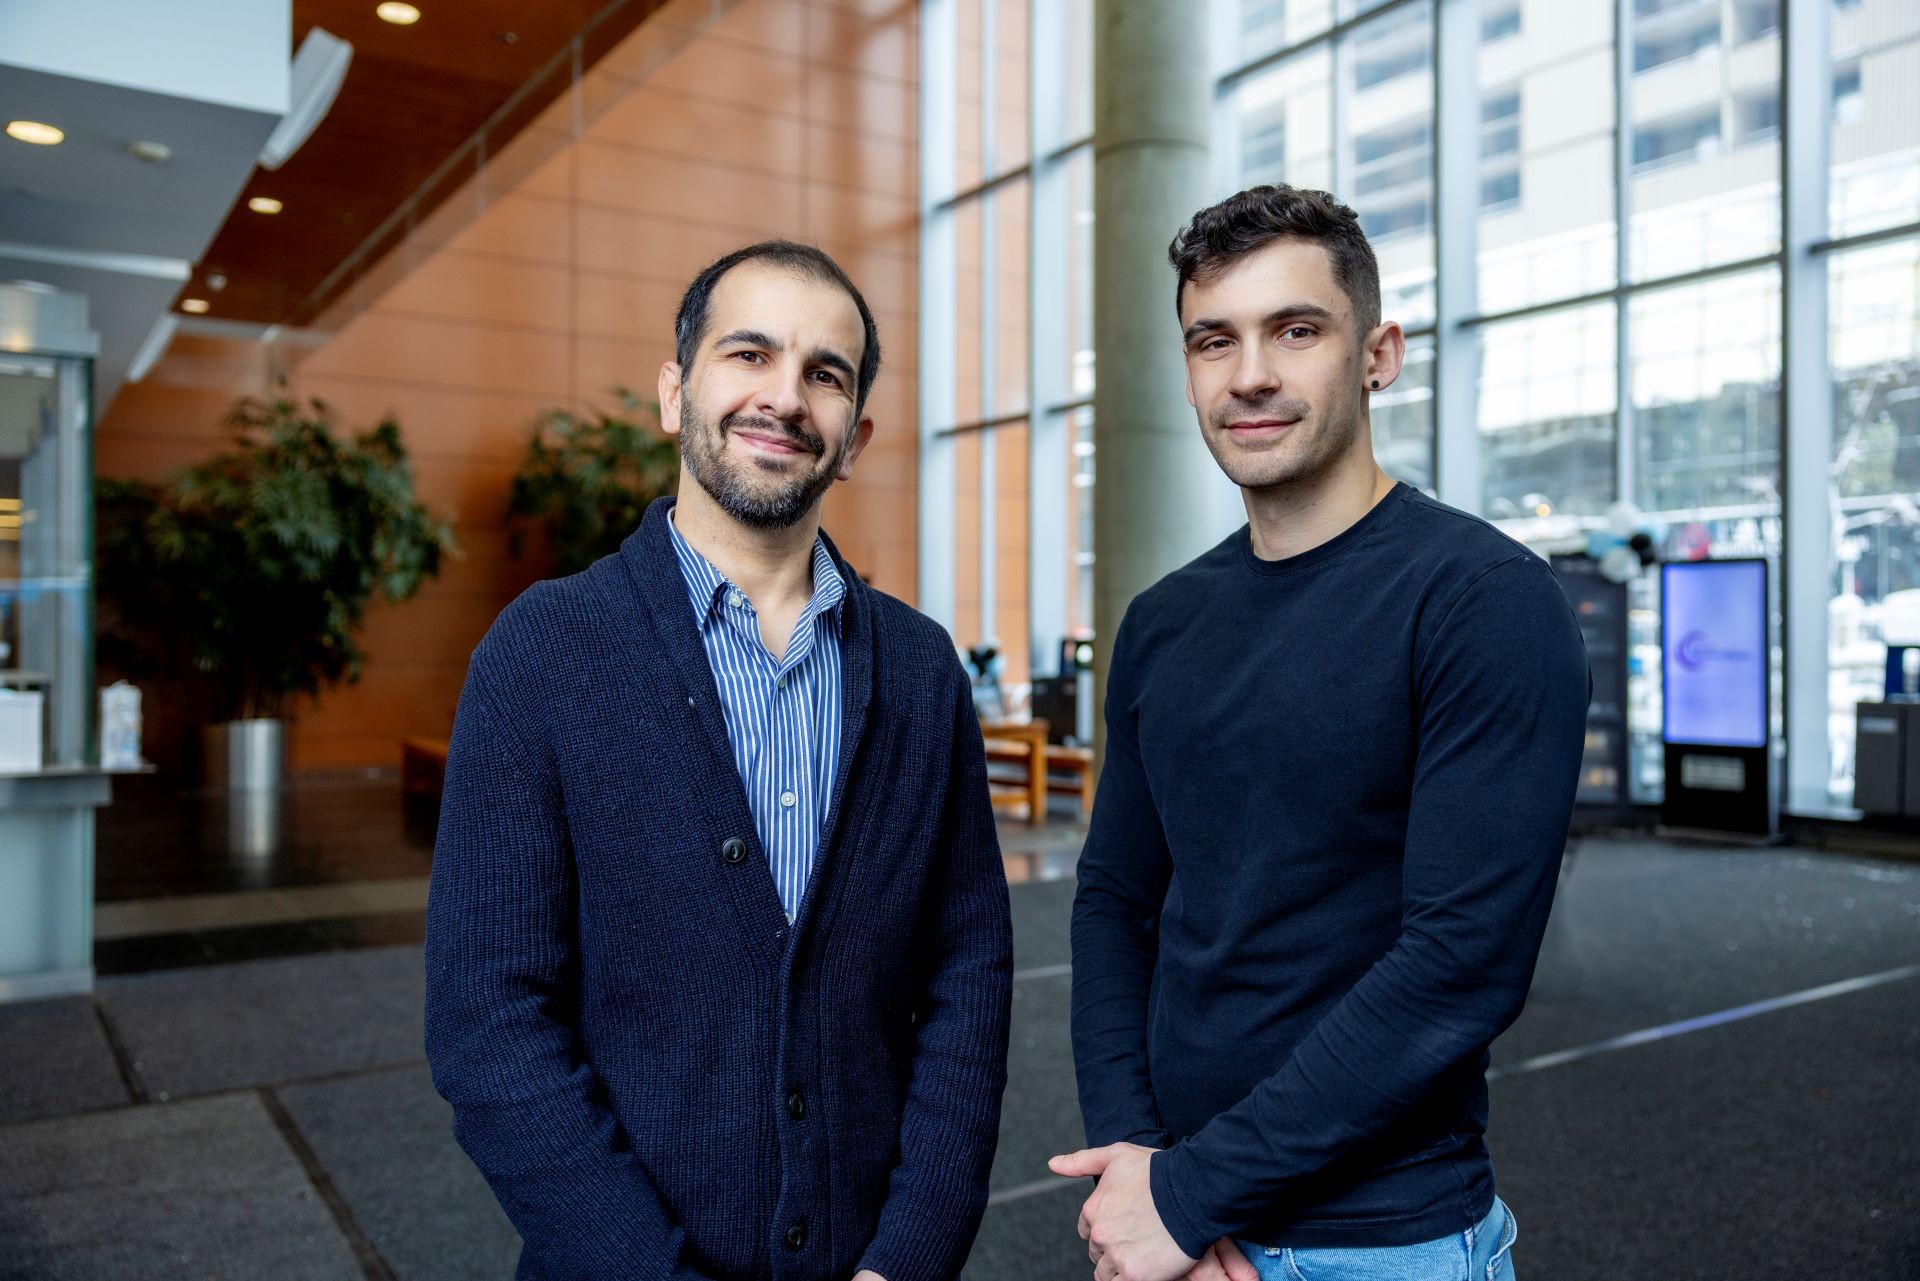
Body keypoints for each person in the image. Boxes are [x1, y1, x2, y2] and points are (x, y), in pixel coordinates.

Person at [426, 240, 1014, 1281]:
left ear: (855, 437)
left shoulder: (921, 673)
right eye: (749, 354)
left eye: (825, 375)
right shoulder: (542, 653)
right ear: (676, 391)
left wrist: (908, 1260)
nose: (785, 397)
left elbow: (967, 979)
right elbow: (490, 1023)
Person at [1049, 185, 1589, 1281]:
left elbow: (1460, 966)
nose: (1250, 373)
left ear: (1378, 353)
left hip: (1385, 1243)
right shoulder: (1162, 624)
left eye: (1296, 330)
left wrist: (1191, 1198)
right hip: (1175, 1225)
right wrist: (1141, 1171)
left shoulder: (1483, 600)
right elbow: (1115, 904)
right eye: (1215, 340)